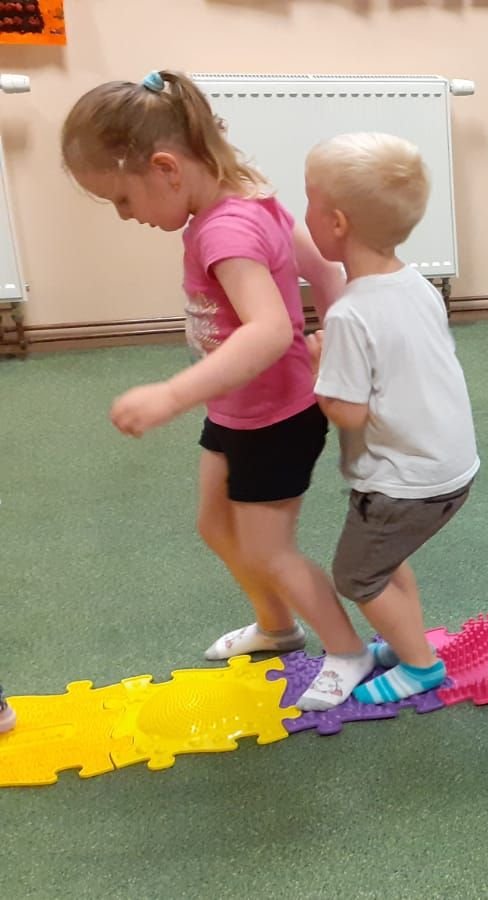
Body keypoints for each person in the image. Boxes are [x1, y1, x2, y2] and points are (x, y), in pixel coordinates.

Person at [60, 71, 362, 703]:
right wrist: (335, 326)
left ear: (166, 169)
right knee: (215, 524)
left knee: (271, 549)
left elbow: (270, 330)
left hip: (277, 416)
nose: (126, 215)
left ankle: (347, 651)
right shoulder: (249, 194)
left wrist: (172, 394)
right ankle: (277, 628)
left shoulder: (226, 230)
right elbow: (324, 270)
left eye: (122, 199)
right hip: (236, 409)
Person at [303, 132, 479, 704]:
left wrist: (319, 366)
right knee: (387, 558)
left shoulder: (350, 315)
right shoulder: (416, 284)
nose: (303, 213)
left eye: (308, 201)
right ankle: (406, 643)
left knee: (357, 574)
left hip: (404, 484)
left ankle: (422, 666)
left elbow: (348, 412)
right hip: (449, 466)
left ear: (336, 224)